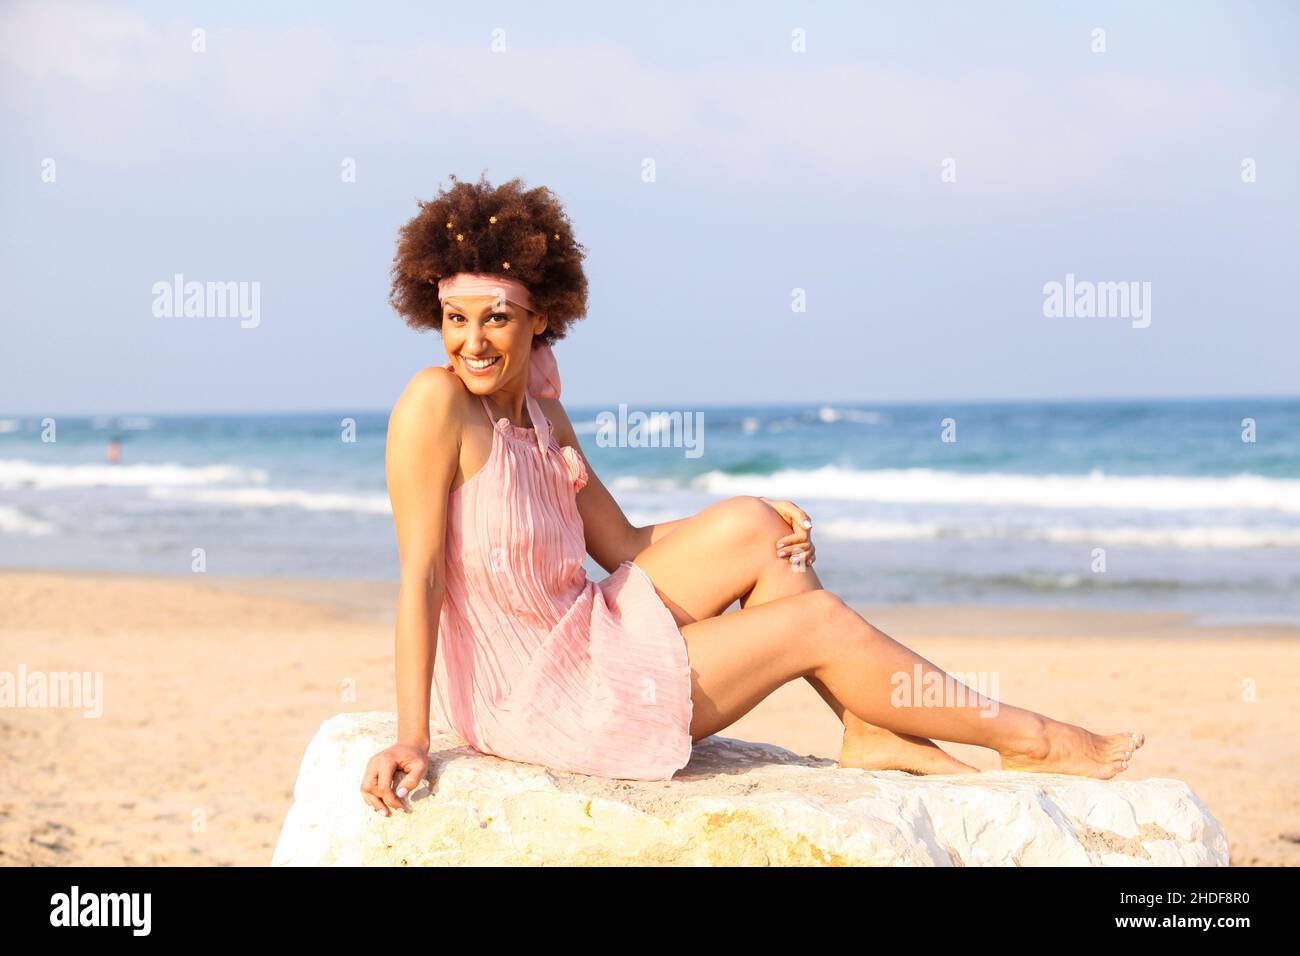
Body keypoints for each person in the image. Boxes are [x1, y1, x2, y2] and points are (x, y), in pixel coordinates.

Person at [360, 174, 1144, 815]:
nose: (473, 341)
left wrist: (761, 518)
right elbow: (421, 577)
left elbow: (625, 546)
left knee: (760, 526)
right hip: (541, 695)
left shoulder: (543, 413)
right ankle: (1030, 737)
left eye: (496, 318)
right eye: (455, 319)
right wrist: (413, 737)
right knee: (818, 620)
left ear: (541, 319)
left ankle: (868, 726)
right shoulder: (435, 404)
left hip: (585, 631)